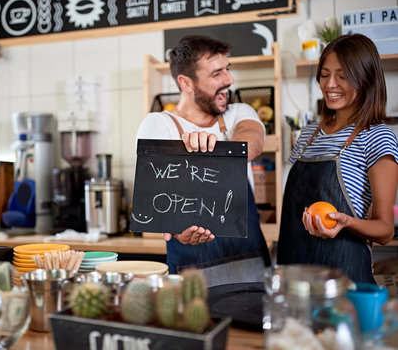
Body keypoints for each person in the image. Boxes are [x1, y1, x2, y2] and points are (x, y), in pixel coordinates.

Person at [136, 35, 271, 285]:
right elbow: (157, 197)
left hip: (249, 265)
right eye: (217, 73)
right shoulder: (158, 124)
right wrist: (179, 231)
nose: (229, 80)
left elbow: (251, 140)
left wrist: (212, 151)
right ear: (186, 83)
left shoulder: (238, 112)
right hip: (191, 272)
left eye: (228, 70)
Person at [277, 34, 398, 284]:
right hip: (295, 277)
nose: (330, 84)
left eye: (343, 76)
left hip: (345, 279)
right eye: (324, 74)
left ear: (366, 78)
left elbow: (385, 230)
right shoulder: (309, 133)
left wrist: (346, 222)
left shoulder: (376, 136)